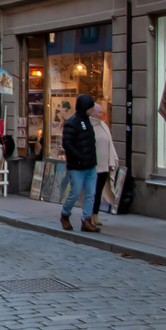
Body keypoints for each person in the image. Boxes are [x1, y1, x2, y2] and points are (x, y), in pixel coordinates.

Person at [61, 94, 100, 232]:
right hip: (76, 166)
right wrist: (79, 157)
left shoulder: (87, 121)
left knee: (90, 194)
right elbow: (67, 143)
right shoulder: (72, 122)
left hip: (90, 165)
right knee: (75, 191)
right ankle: (65, 214)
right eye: (90, 107)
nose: (91, 110)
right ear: (85, 108)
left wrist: (91, 159)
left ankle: (86, 220)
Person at [89, 103, 118, 229]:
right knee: (91, 192)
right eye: (98, 112)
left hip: (104, 165)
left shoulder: (104, 126)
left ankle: (95, 214)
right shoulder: (88, 125)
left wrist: (113, 158)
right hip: (92, 165)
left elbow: (109, 143)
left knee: (99, 191)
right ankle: (88, 215)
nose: (101, 115)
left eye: (101, 112)